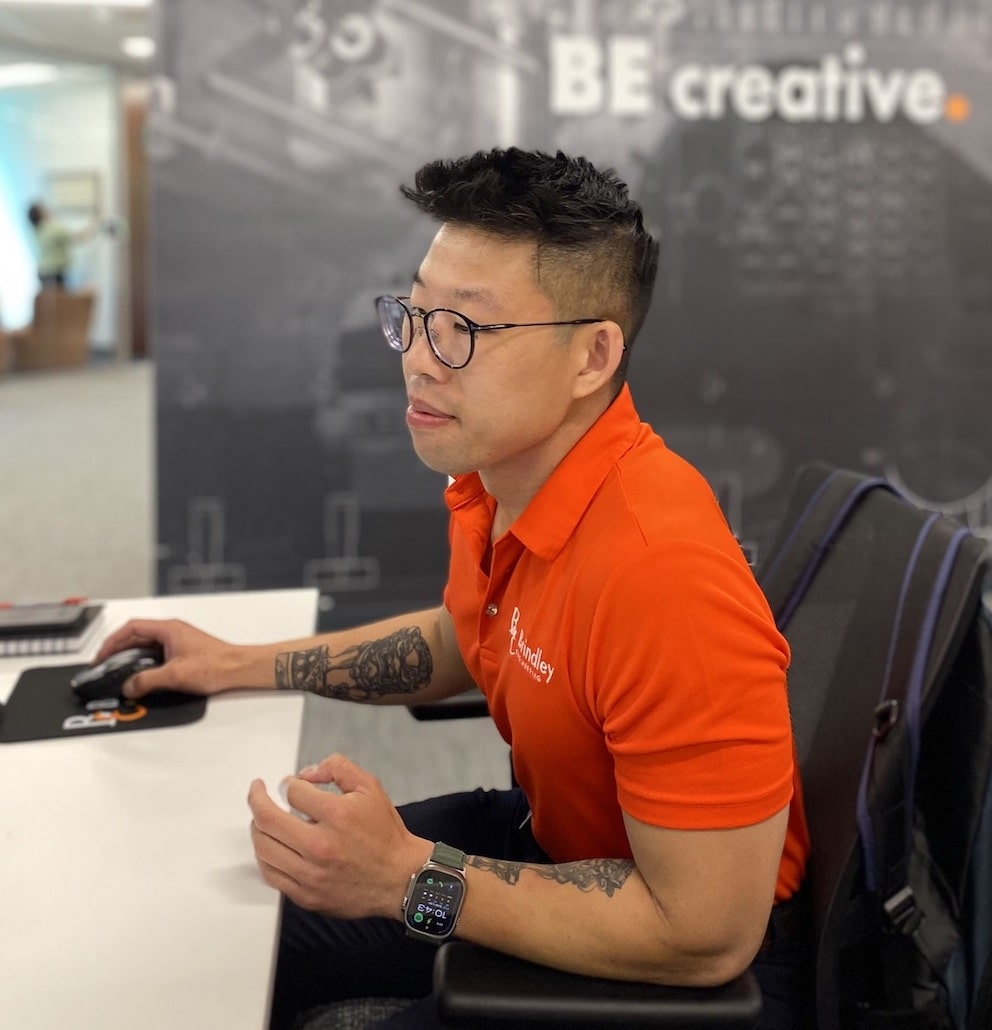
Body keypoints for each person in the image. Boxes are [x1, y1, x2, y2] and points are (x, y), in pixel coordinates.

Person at [95, 148, 811, 1029]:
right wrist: (233, 663)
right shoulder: (500, 478)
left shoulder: (662, 572)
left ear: (592, 356)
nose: (418, 362)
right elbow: (462, 638)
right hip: (550, 848)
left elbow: (705, 936)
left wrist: (405, 879)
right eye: (415, 313)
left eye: (464, 330)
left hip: (681, 968)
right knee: (240, 925)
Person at [26, 201, 109, 289]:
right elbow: (78, 237)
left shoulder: (37, 231)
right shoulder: (51, 229)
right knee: (61, 300)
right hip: (54, 273)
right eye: (43, 208)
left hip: (44, 273)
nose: (47, 210)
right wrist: (96, 223)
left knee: (54, 301)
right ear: (40, 213)